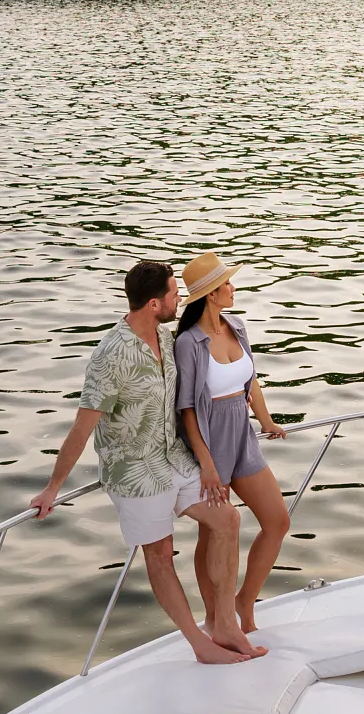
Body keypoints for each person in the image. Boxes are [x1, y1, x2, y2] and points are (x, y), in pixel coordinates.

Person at [29, 259, 263, 664]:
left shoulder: (169, 340)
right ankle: (199, 643)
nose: (179, 300)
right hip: (134, 470)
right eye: (174, 294)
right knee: (160, 552)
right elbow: (82, 428)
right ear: (154, 303)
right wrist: (53, 487)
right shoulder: (110, 356)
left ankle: (224, 623)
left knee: (228, 519)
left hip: (173, 455)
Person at [172, 251, 290, 634]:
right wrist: (205, 462)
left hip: (242, 433)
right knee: (214, 534)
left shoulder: (236, 326)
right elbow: (188, 408)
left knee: (277, 521)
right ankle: (215, 617)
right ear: (210, 294)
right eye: (226, 283)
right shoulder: (189, 343)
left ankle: (243, 601)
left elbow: (250, 380)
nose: (233, 288)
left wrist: (267, 419)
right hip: (210, 438)